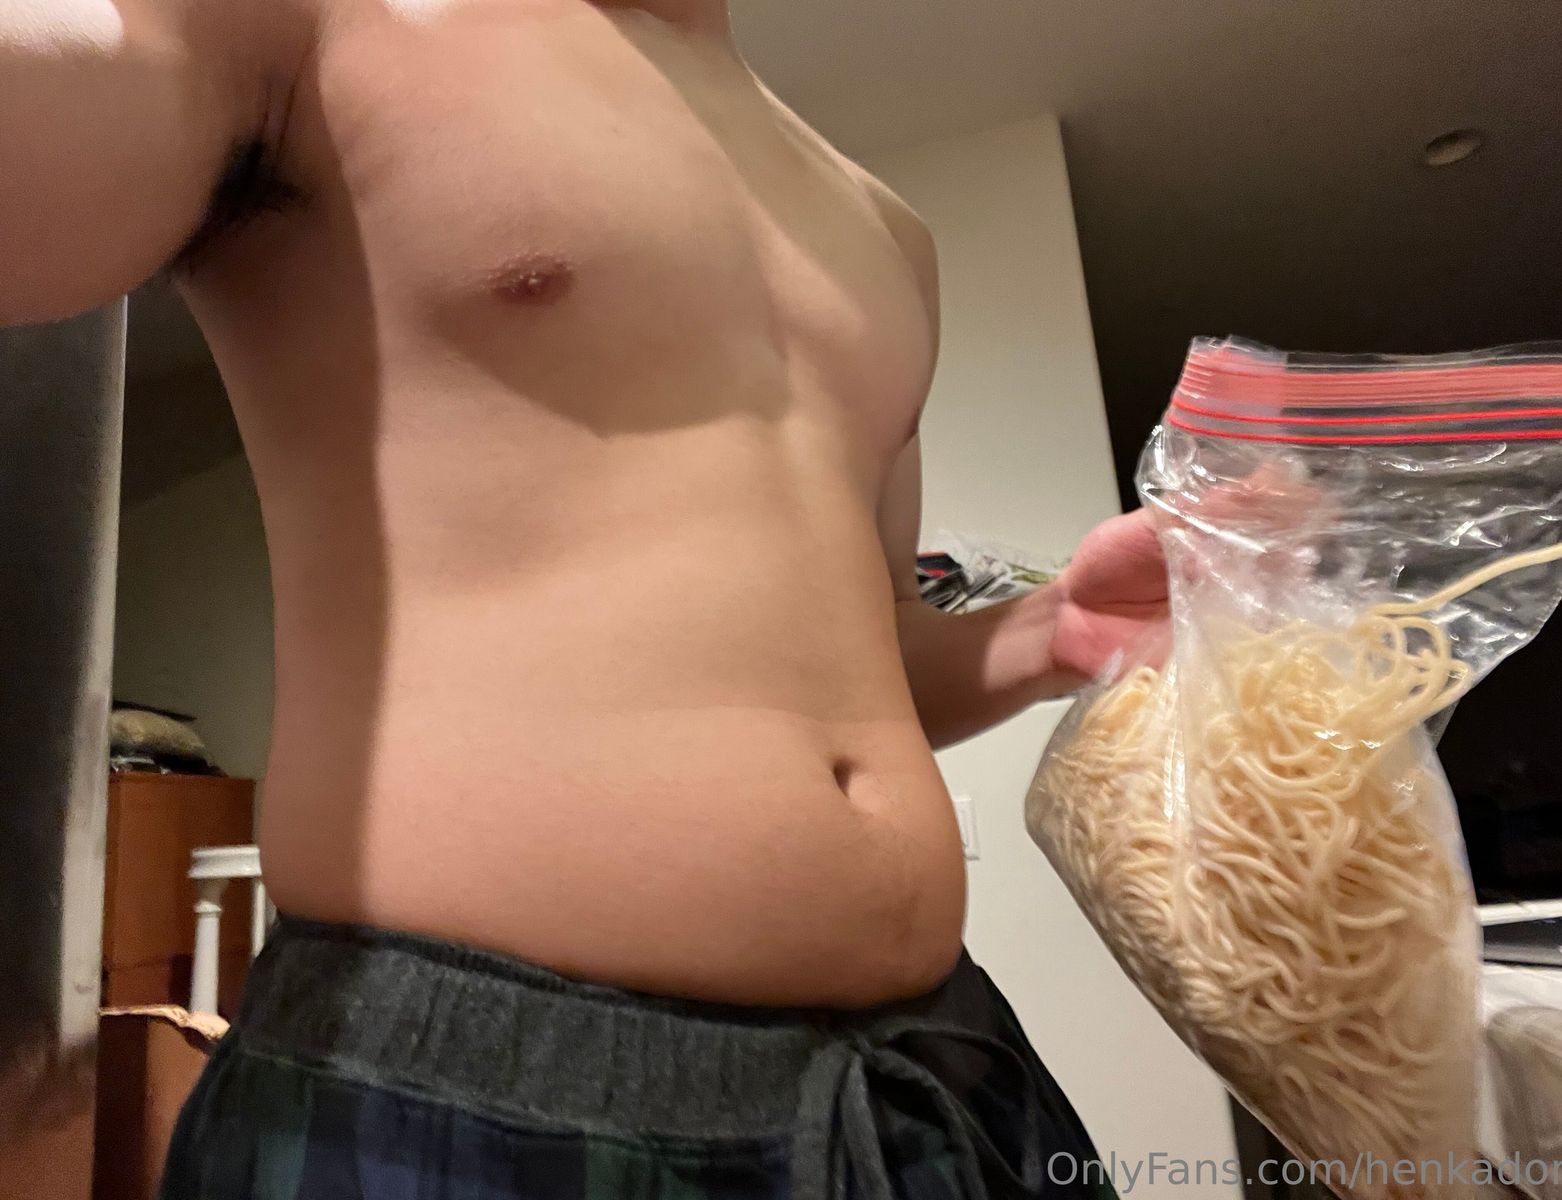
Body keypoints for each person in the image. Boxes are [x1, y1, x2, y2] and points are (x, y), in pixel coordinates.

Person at [5, 1, 1169, 1196]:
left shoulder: (880, 226)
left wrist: (1047, 634)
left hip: (935, 1078)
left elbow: (868, 657)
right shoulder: (323, 26)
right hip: (463, 1103)